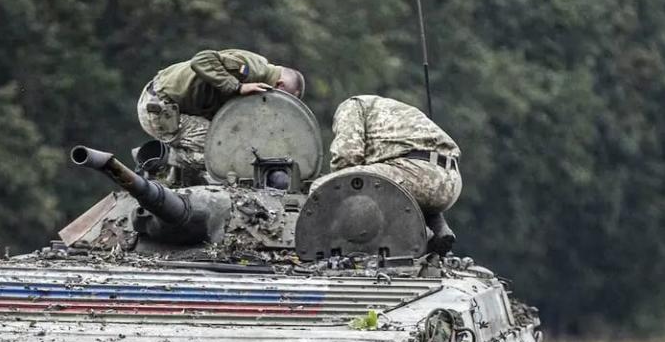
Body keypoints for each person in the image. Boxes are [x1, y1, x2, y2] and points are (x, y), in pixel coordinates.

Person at [138, 49, 305, 181]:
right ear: (280, 84)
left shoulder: (260, 80)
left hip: (175, 108)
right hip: (159, 107)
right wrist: (237, 87)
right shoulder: (252, 69)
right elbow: (201, 59)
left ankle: (178, 179)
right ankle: (160, 158)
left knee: (227, 148)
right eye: (285, 98)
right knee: (220, 153)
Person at [328, 95, 461, 252]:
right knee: (387, 184)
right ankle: (439, 230)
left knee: (327, 186)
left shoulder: (350, 106)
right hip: (450, 180)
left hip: (416, 172)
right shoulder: (384, 111)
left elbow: (346, 158)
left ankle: (421, 234)